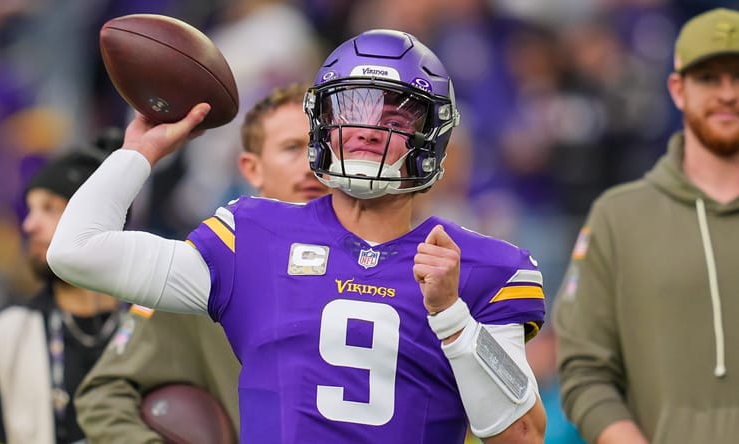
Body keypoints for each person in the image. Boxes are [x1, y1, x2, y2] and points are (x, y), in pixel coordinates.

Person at [48, 29, 547, 443]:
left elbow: (523, 434)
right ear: (323, 124)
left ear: (432, 135)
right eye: (351, 110)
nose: (368, 130)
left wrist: (454, 320)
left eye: (394, 116)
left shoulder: (483, 267)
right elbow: (76, 251)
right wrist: (140, 152)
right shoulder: (253, 235)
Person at [74, 83, 329, 442]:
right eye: (291, 148)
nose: (310, 164)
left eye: (321, 147)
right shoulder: (207, 267)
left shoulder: (393, 267)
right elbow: (106, 395)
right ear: (251, 169)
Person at [553, 8, 739, 444]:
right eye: (709, 78)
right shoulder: (618, 218)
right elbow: (584, 371)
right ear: (678, 89)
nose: (727, 94)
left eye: (737, 77)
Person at [0, 135, 126, 444]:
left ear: (99, 219)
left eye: (49, 208)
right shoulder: (4, 335)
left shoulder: (155, 324)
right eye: (30, 209)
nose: (29, 224)